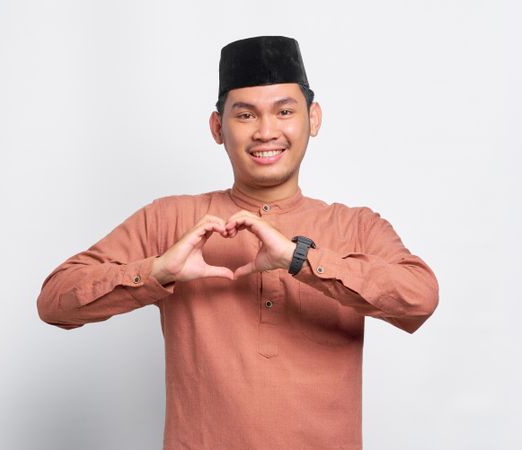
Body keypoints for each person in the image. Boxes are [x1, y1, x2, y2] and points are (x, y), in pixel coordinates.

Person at [37, 35, 439, 449]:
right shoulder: (170, 219)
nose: (266, 131)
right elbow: (54, 301)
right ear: (217, 128)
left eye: (284, 111)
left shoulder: (356, 226)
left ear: (313, 119)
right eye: (245, 115)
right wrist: (157, 272)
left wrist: (298, 258)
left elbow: (419, 298)